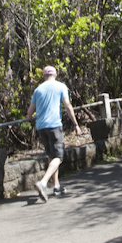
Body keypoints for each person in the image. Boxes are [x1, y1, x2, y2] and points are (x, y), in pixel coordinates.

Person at [26, 65, 81, 202]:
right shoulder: (60, 86)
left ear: (44, 76)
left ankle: (56, 186)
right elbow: (67, 105)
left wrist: (30, 116)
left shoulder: (38, 90)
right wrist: (75, 124)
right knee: (59, 157)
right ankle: (43, 183)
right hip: (54, 125)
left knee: (52, 156)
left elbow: (29, 113)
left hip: (41, 127)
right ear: (55, 75)